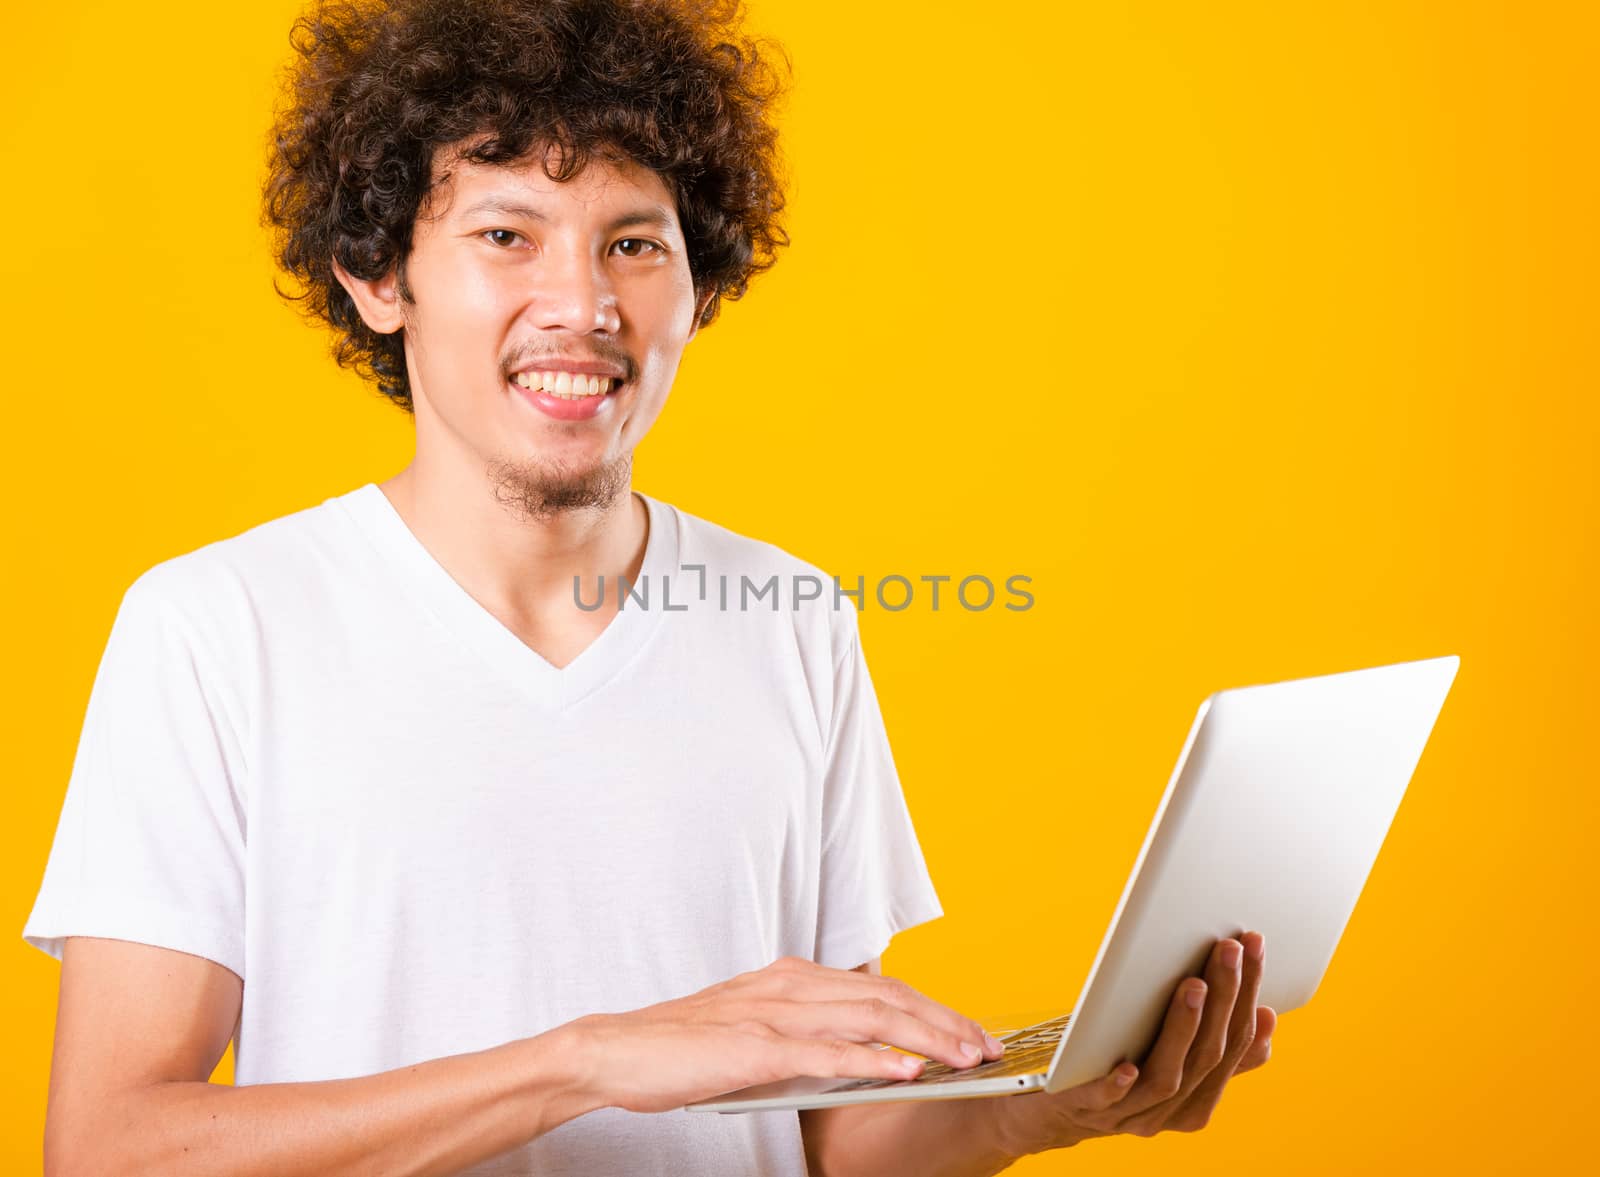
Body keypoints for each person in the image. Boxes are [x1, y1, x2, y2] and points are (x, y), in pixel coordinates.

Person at [21, 1, 1276, 1173]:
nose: (579, 304)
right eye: (504, 235)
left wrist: (1056, 1100)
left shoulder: (795, 620)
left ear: (698, 284)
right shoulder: (216, 627)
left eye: (634, 244)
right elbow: (116, 1143)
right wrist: (585, 1061)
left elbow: (829, 1129)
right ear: (377, 278)